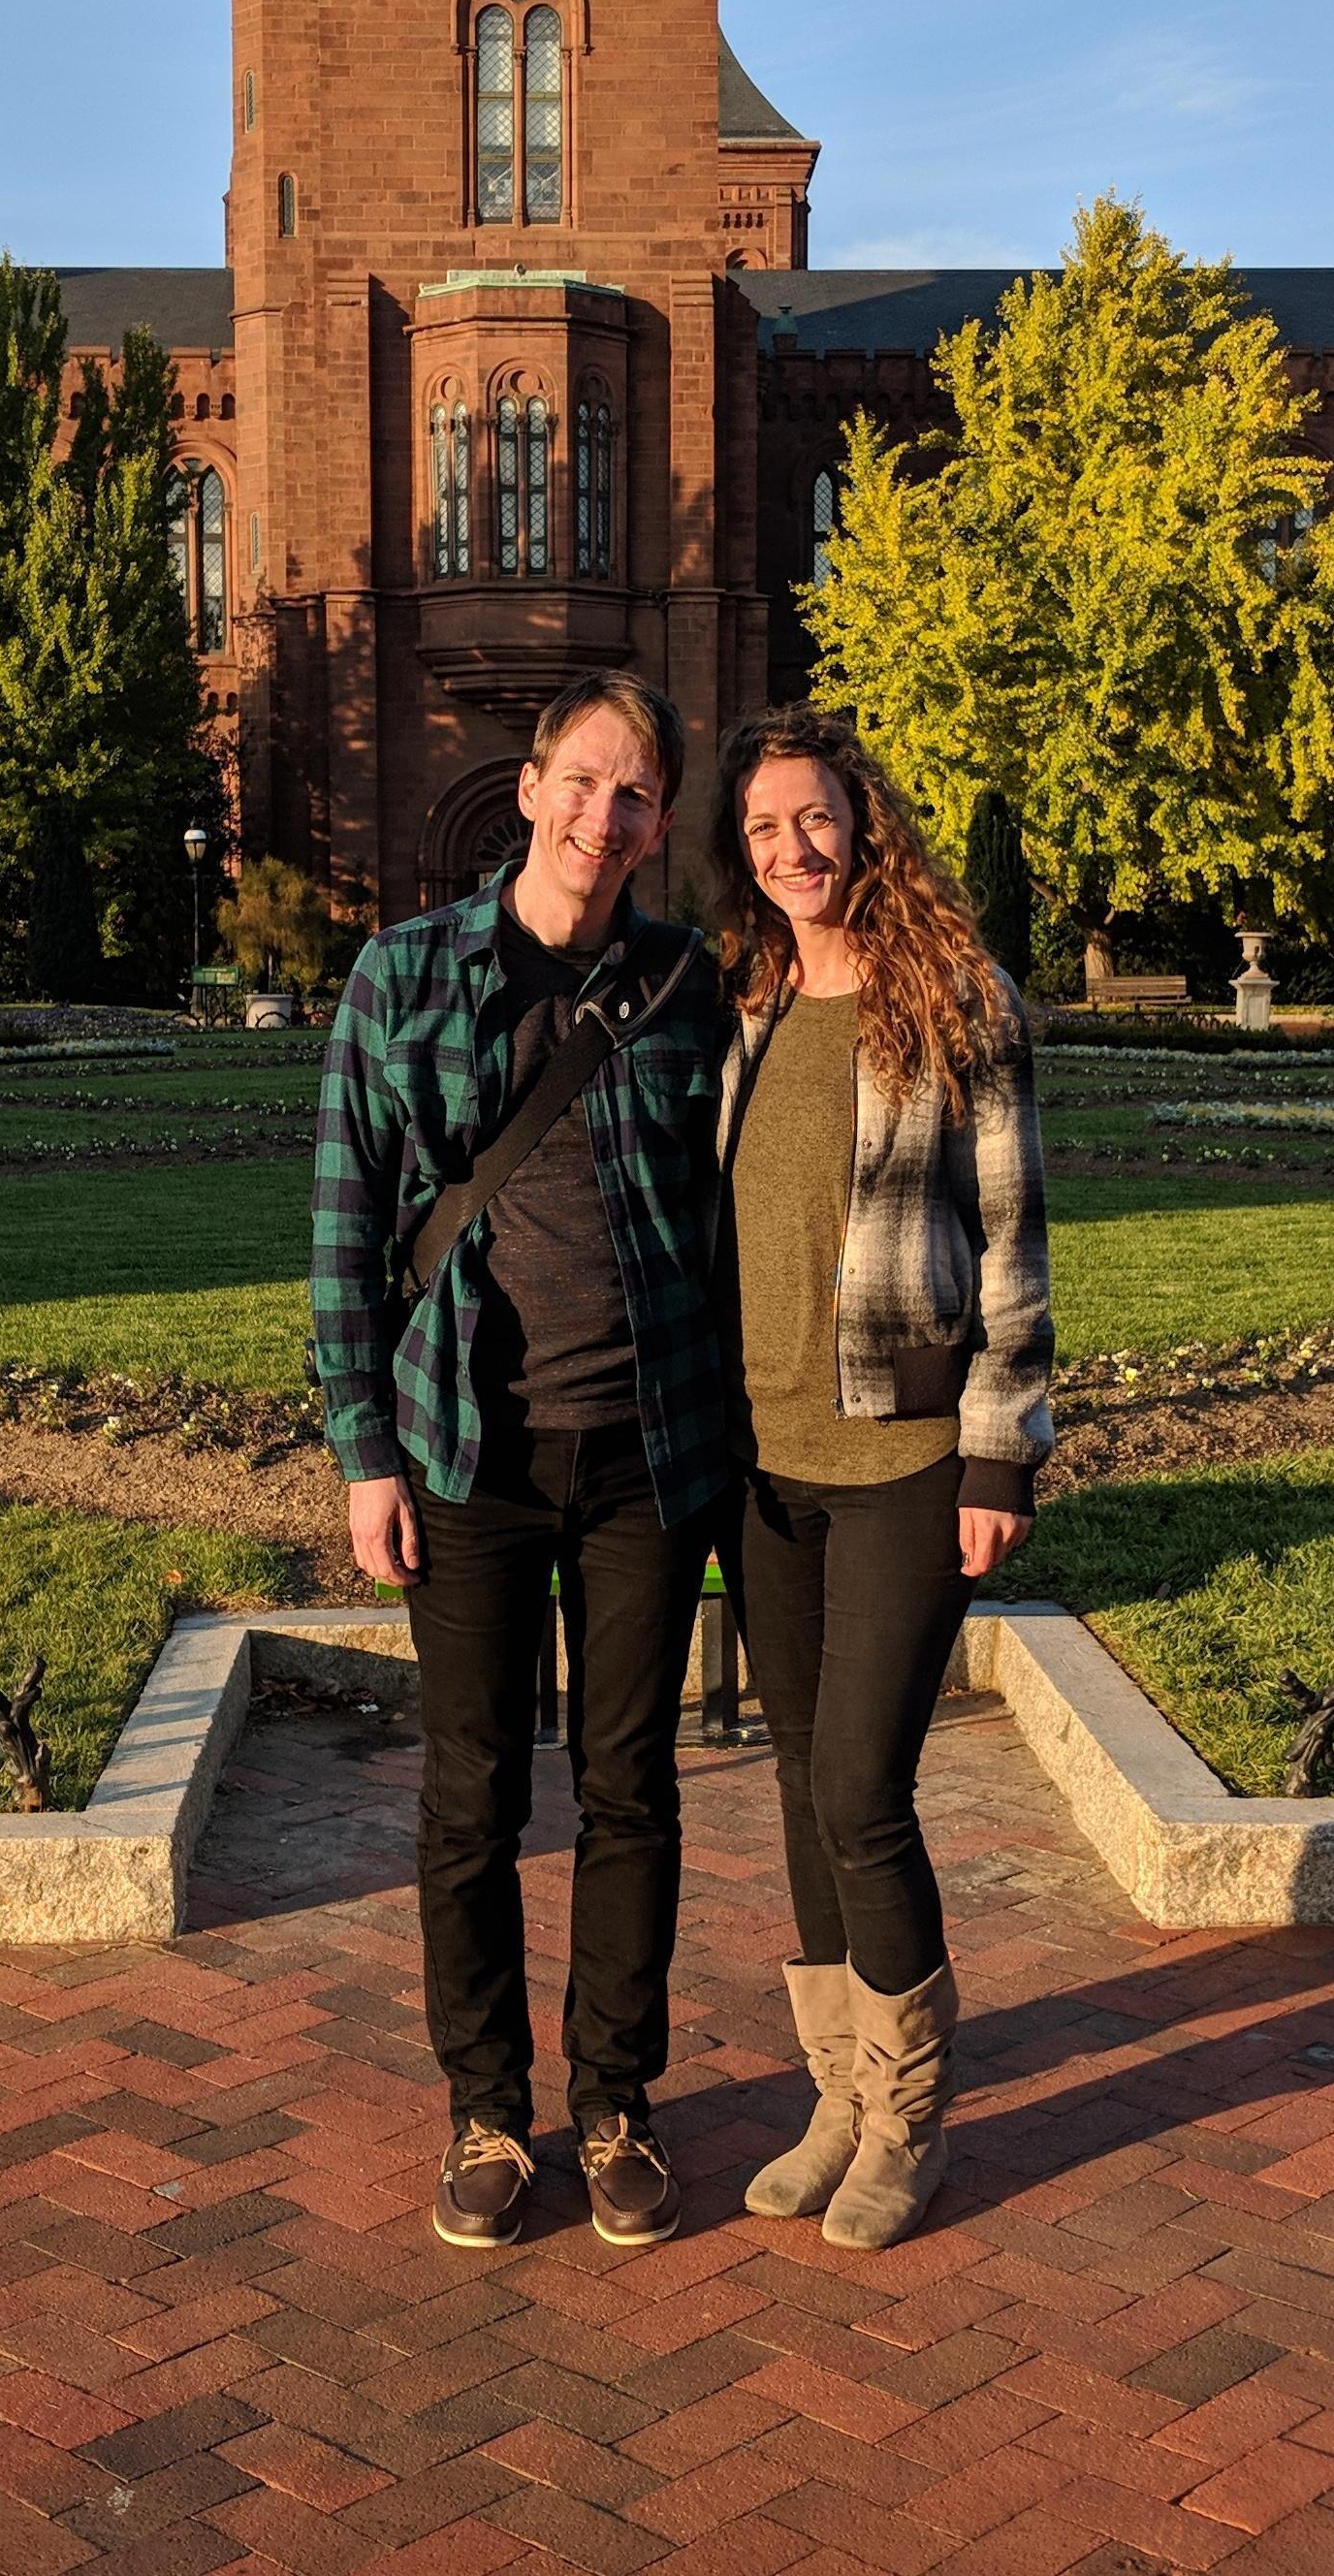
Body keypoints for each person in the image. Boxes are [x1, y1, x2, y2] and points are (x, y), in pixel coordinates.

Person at [311, 674, 733, 2252]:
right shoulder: (400, 975)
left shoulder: (689, 986)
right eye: (581, 781)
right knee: (474, 1797)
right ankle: (485, 2109)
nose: (598, 817)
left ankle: (616, 2096)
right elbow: (350, 1228)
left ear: (655, 822)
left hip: (644, 1454)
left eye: (633, 796)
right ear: (531, 783)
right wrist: (366, 1452)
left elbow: (743, 1216)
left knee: (631, 1789)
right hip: (466, 1455)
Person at [707, 706, 1052, 2251]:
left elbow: (1015, 1245)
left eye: (816, 819)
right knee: (796, 1783)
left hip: (907, 1447)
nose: (793, 849)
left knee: (862, 1787)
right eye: (766, 828)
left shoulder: (958, 999)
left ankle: (907, 2116)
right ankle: (836, 2095)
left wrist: (998, 1451)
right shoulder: (749, 997)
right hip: (760, 1453)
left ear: (866, 825)